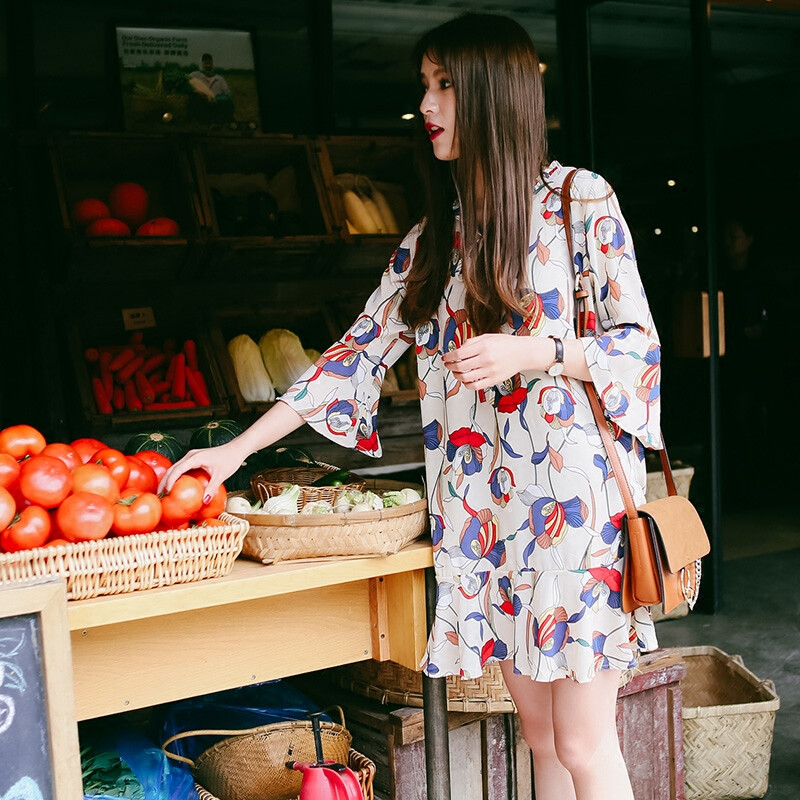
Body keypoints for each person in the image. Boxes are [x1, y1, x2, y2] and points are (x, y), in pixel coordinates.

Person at [163, 13, 662, 800]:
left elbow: (639, 348)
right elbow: (351, 356)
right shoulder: (436, 240)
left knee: (583, 740)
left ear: (494, 94)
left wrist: (538, 353)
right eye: (424, 85)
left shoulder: (578, 200)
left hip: (578, 512)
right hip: (490, 521)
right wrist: (234, 453)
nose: (425, 103)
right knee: (538, 736)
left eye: (443, 85)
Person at [188, 53, 235, 123]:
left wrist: (216, 99)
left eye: (209, 62)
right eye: (205, 62)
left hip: (218, 109)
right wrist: (198, 92)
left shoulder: (219, 78)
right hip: (201, 109)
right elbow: (187, 88)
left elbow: (228, 94)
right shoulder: (194, 76)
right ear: (201, 63)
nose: (207, 64)